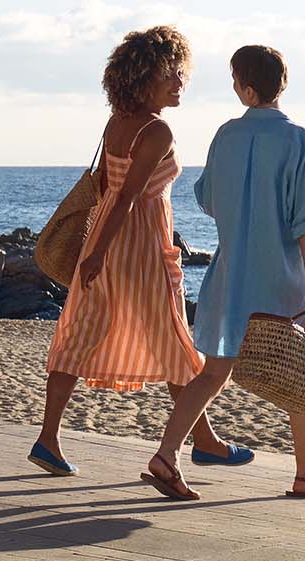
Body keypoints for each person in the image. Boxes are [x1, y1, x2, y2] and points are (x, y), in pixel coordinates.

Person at [30, 26, 251, 477]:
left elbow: (111, 191)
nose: (179, 81)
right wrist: (99, 254)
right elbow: (128, 196)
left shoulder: (117, 123)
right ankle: (204, 442)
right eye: (169, 72)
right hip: (141, 247)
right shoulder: (157, 131)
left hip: (107, 243)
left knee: (79, 334)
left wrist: (96, 253)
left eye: (181, 72)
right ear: (142, 77)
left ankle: (48, 438)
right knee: (172, 340)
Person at [140, 44, 305, 501]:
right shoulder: (299, 140)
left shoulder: (225, 136)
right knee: (301, 373)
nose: (233, 86)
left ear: (247, 88)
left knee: (213, 373)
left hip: (231, 277)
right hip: (280, 278)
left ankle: (167, 454)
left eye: (234, 79)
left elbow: (208, 199)